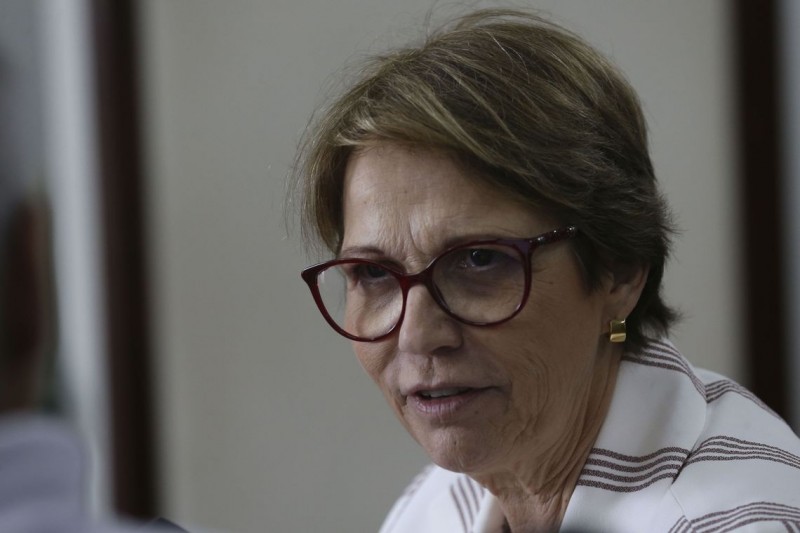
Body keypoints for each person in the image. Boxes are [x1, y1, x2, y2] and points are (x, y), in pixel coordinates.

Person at [295, 9, 800, 532]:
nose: (418, 336)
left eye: (480, 260)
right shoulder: (442, 502)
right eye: (373, 273)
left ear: (620, 270)